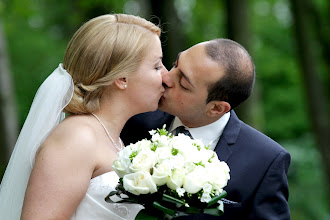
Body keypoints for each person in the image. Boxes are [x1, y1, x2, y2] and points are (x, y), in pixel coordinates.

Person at [0, 13, 167, 220]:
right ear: (122, 78)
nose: (166, 75)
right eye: (157, 66)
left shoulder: (111, 138)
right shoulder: (78, 138)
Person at [121, 38, 291, 219]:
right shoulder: (135, 116)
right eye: (175, 65)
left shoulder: (265, 161)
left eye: (184, 84)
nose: (166, 77)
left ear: (216, 108)